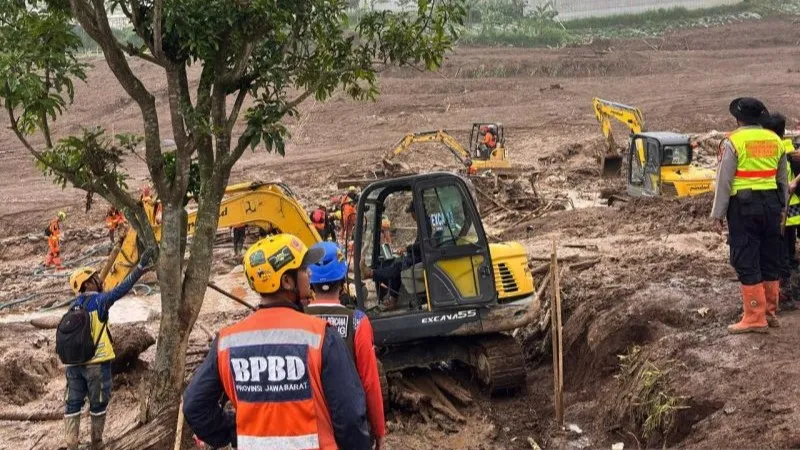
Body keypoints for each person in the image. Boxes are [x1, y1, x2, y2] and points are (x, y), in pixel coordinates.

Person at [183, 234, 371, 450]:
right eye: (303, 269)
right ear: (287, 281)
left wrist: (235, 432)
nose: (309, 274)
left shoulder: (226, 342)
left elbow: (194, 406)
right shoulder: (321, 337)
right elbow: (350, 418)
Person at [62, 247, 155, 449]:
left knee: (73, 404)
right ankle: (97, 443)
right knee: (98, 405)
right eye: (95, 277)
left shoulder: (72, 307)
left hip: (73, 366)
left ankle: (71, 444)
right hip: (97, 364)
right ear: (88, 283)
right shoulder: (100, 301)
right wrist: (139, 269)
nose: (99, 280)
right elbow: (121, 289)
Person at [711, 97, 787, 333]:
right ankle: (769, 312)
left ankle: (754, 316)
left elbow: (724, 180)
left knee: (746, 257)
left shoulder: (733, 141)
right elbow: (782, 179)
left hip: (744, 207)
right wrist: (783, 208)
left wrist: (718, 214)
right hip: (772, 205)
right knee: (769, 257)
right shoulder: (775, 140)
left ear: (738, 118)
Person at [306, 242, 386, 450]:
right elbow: (370, 383)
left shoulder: (297, 320)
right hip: (349, 431)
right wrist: (379, 430)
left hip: (308, 428)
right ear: (342, 282)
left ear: (310, 283)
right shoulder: (358, 321)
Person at [765, 113, 800, 310]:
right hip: (790, 207)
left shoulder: (778, 149)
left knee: (782, 250)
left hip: (784, 207)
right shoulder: (789, 148)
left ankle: (784, 290)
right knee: (788, 248)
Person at [361, 201, 423, 309]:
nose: (412, 216)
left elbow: (423, 245)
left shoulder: (425, 224)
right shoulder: (423, 224)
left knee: (398, 265)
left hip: (422, 258)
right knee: (397, 262)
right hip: (420, 256)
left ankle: (371, 274)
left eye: (412, 213)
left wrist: (407, 248)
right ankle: (391, 297)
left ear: (416, 212)